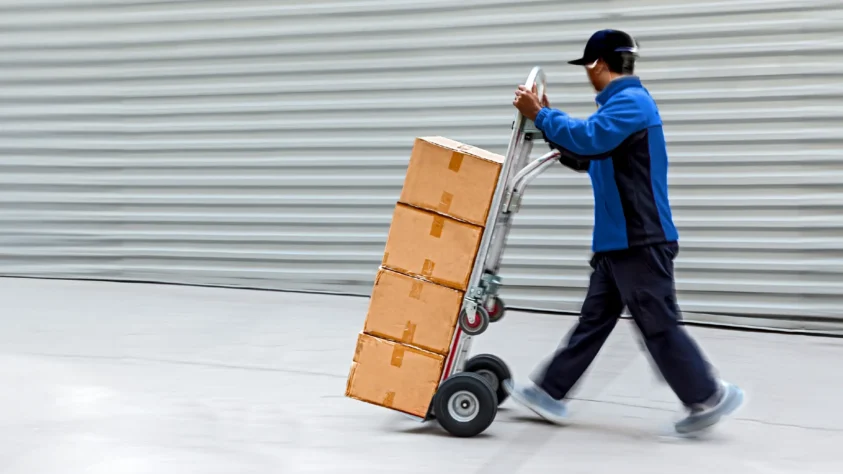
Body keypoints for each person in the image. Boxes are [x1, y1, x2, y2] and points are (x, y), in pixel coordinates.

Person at [508, 29, 745, 435]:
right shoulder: (617, 108)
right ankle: (548, 391)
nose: (587, 74)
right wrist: (548, 123)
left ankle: (708, 395)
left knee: (657, 322)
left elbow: (590, 139)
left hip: (639, 239)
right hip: (617, 243)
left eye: (587, 67)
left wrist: (543, 115)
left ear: (597, 64)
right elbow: (587, 155)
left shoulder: (632, 104)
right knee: (594, 320)